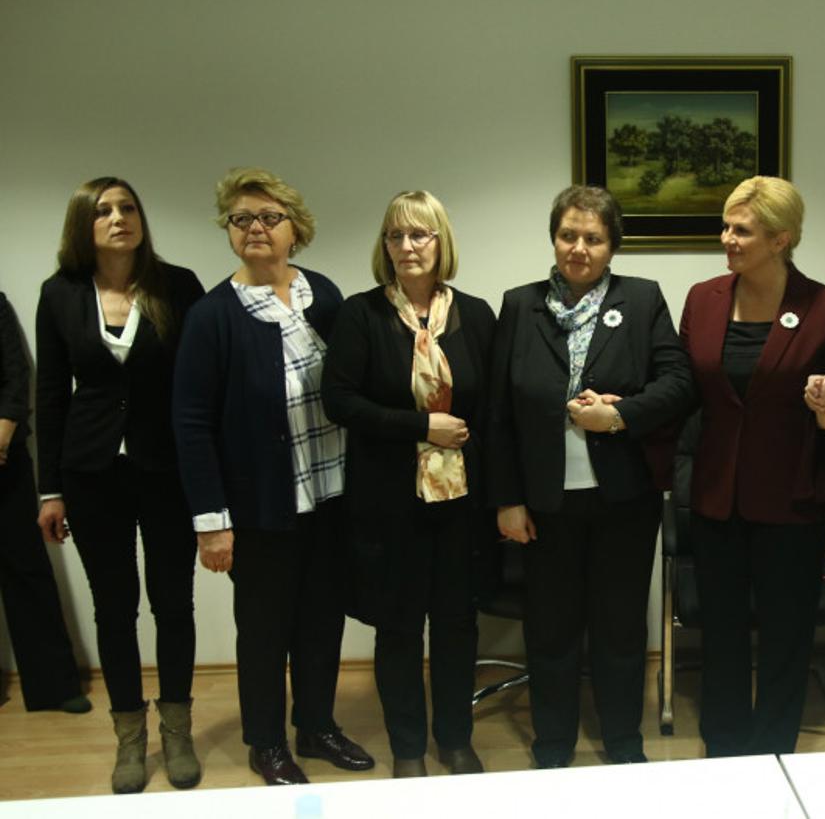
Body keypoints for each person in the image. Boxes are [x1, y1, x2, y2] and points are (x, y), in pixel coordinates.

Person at [172, 167, 372, 786]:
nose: (254, 228)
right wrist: (211, 522)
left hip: (331, 495)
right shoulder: (213, 316)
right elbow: (191, 424)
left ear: (295, 228)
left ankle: (316, 726)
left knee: (322, 620)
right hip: (261, 509)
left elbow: (354, 387)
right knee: (264, 632)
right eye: (241, 219)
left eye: (268, 217)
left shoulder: (324, 295)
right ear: (229, 231)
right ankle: (266, 741)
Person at [488, 185, 691, 768]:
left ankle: (622, 741)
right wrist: (507, 498)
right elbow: (498, 412)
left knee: (619, 628)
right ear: (554, 239)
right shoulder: (520, 305)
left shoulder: (642, 299)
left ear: (612, 246)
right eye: (568, 235)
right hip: (543, 501)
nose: (578, 248)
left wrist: (619, 415)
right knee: (550, 629)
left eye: (593, 239)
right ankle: (553, 744)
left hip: (623, 497)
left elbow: (678, 383)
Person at [34, 177, 205, 792]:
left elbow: (200, 384)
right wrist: (49, 489)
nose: (117, 218)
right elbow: (50, 394)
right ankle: (129, 738)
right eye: (103, 210)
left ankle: (177, 730)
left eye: (127, 207)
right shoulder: (60, 293)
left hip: (167, 470)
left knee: (173, 603)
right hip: (91, 472)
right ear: (84, 224)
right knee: (114, 608)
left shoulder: (177, 285)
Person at [680, 175, 825, 757]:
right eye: (726, 226)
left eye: (742, 230)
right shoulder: (703, 299)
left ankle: (774, 751)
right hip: (715, 499)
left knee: (786, 637)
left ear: (781, 239)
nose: (727, 239)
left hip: (791, 500)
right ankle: (725, 749)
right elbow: (684, 390)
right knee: (721, 635)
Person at [321, 191, 495, 778]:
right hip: (389, 503)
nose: (406, 246)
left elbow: (493, 411)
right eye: (395, 236)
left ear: (441, 242)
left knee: (456, 626)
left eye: (419, 234)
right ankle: (408, 748)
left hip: (460, 504)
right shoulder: (361, 315)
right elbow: (340, 401)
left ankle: (455, 740)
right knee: (398, 630)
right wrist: (422, 426)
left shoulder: (475, 315)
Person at [0, 289, 91, 716]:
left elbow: (16, 373)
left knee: (25, 567)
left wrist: (3, 434)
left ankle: (54, 686)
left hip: (3, 457)